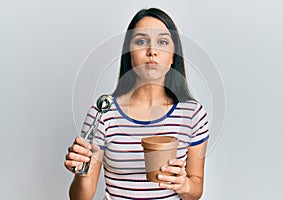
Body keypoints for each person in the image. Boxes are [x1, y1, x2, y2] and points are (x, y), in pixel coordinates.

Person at [64, 8, 209, 200]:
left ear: (173, 55)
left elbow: (196, 189)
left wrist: (184, 185)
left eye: (163, 42)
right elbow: (80, 197)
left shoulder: (192, 114)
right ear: (129, 53)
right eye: (141, 41)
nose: (152, 51)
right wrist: (81, 171)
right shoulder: (103, 114)